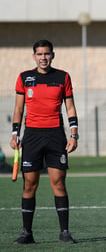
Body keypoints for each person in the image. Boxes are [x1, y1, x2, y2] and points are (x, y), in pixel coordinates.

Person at [10, 40, 78, 244]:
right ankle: (27, 233)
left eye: (46, 54)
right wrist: (15, 133)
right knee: (29, 184)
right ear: (34, 56)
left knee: (58, 183)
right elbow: (18, 109)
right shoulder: (24, 77)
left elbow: (70, 108)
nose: (43, 57)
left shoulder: (63, 77)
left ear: (52, 55)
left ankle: (64, 232)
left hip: (56, 136)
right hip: (31, 136)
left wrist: (74, 134)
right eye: (39, 54)